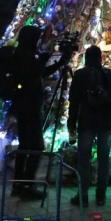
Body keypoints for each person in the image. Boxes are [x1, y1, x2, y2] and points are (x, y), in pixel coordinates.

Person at [10, 25, 68, 199]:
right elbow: (32, 77)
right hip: (29, 107)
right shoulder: (24, 55)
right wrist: (43, 60)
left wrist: (60, 62)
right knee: (36, 146)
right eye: (37, 37)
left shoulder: (24, 52)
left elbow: (40, 73)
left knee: (25, 145)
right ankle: (27, 185)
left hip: (25, 106)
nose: (40, 41)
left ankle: (18, 185)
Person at [68, 45, 111, 207]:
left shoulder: (80, 75)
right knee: (104, 159)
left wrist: (72, 122)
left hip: (86, 121)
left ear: (86, 58)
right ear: (101, 58)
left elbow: (74, 101)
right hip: (106, 122)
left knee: (84, 159)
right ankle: (101, 195)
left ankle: (83, 195)